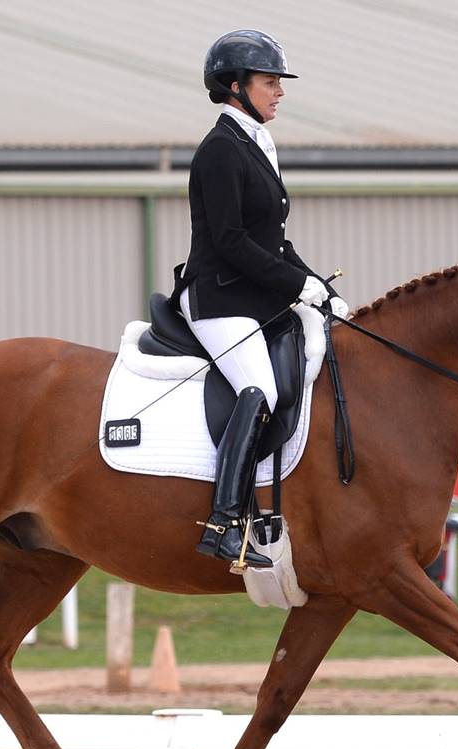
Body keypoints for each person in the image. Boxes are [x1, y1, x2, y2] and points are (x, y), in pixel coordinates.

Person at [170, 29, 349, 568]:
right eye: (270, 81)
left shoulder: (254, 143)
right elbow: (230, 242)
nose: (280, 91)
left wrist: (319, 288)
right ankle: (224, 522)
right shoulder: (221, 150)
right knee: (261, 388)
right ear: (235, 86)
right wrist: (295, 286)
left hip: (251, 296)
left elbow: (275, 242)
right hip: (218, 298)